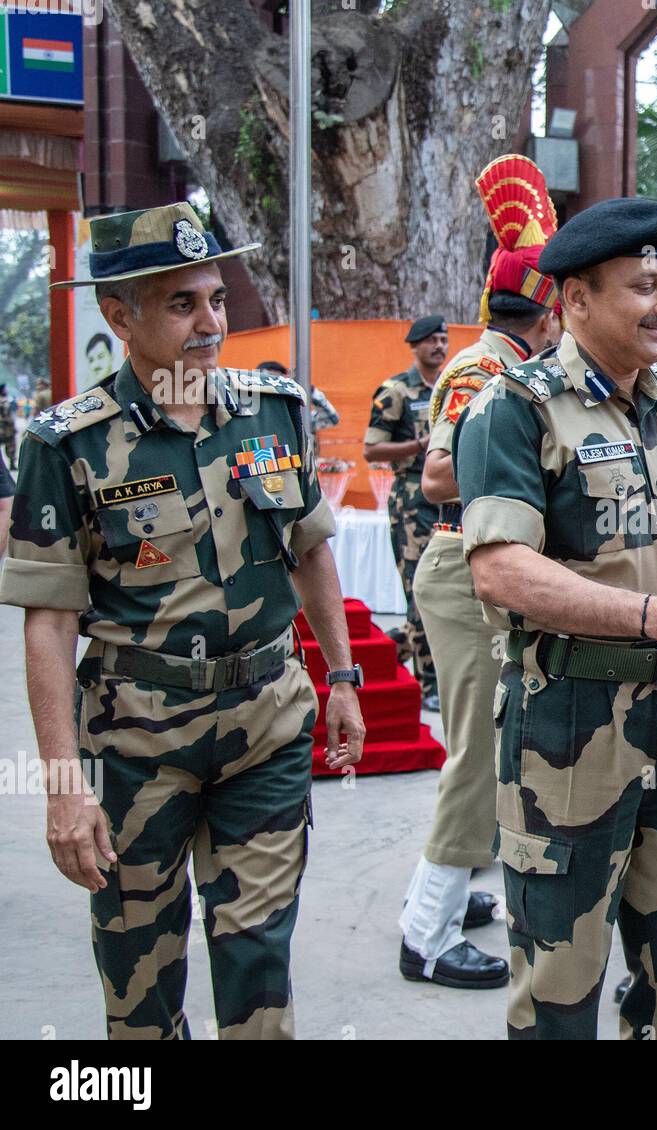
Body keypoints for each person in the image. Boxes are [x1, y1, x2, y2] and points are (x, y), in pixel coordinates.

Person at [0, 202, 364, 1039]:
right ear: (119, 315)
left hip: (266, 722)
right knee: (140, 978)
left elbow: (310, 551)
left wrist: (342, 676)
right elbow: (48, 626)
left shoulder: (275, 413)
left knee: (258, 957)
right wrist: (62, 787)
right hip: (138, 743)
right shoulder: (67, 445)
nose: (211, 323)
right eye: (181, 304)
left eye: (216, 298)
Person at [454, 196, 657, 1040]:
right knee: (562, 991)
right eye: (643, 286)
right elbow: (500, 569)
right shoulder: (515, 407)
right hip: (565, 732)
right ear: (574, 299)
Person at [397, 155, 562, 990]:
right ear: (545, 311)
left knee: (497, 738)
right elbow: (434, 478)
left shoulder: (507, 366)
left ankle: (452, 892)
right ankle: (423, 935)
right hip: (463, 570)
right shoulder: (482, 370)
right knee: (476, 748)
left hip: (484, 567)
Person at [364, 315, 448, 711]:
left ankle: (391, 650)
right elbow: (372, 449)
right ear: (414, 346)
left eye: (443, 338)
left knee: (445, 588)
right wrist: (420, 445)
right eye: (430, 340)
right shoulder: (396, 390)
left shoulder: (451, 386)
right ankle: (429, 683)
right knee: (419, 591)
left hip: (447, 499)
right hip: (411, 502)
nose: (439, 345)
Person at [258, 359, 339, 460]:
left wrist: (308, 389)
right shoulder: (252, 417)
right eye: (266, 382)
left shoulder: (295, 418)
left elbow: (332, 418)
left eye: (277, 382)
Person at [0, 381, 16, 468]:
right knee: (10, 445)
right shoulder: (4, 401)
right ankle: (12, 463)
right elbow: (7, 415)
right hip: (6, 428)